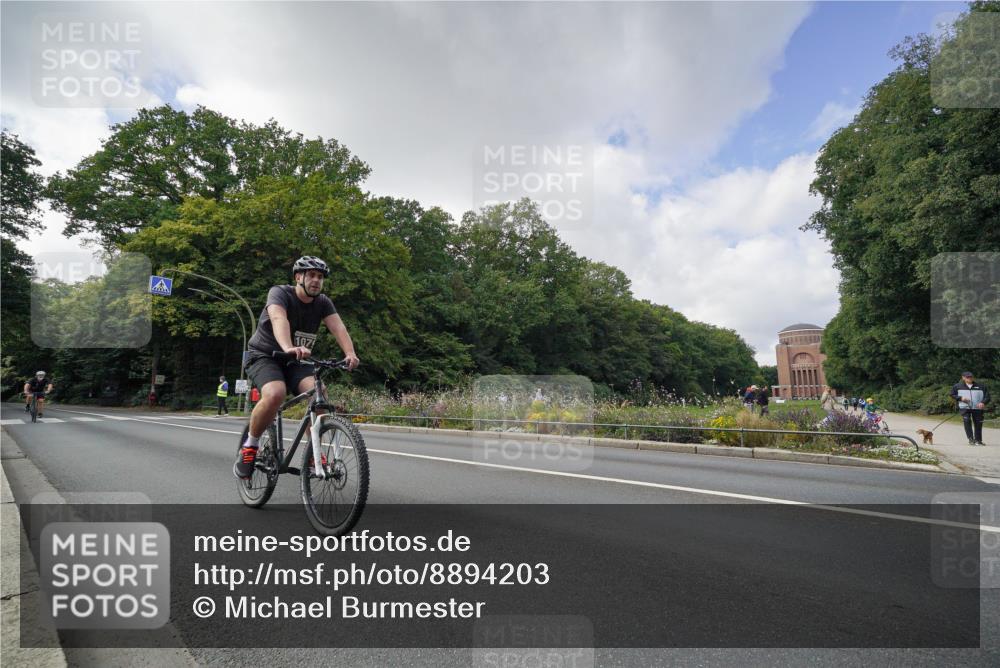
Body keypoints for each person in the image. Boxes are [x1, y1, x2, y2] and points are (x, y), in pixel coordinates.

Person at [234, 256, 359, 478]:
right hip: (264, 355)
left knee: (319, 394)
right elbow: (278, 319)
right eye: (311, 275)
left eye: (320, 277)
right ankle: (250, 446)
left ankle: (312, 452)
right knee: (275, 393)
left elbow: (338, 328)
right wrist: (288, 347)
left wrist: (350, 353)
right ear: (298, 277)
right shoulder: (280, 293)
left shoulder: (323, 302)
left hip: (296, 360)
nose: (316, 280)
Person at [950, 371, 990, 446]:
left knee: (978, 423)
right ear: (963, 378)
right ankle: (971, 439)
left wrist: (983, 402)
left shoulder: (981, 386)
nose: (970, 378)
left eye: (971, 377)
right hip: (964, 407)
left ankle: (978, 440)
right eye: (967, 377)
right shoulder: (957, 386)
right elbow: (952, 394)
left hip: (977, 408)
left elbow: (987, 397)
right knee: (967, 420)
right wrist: (961, 398)